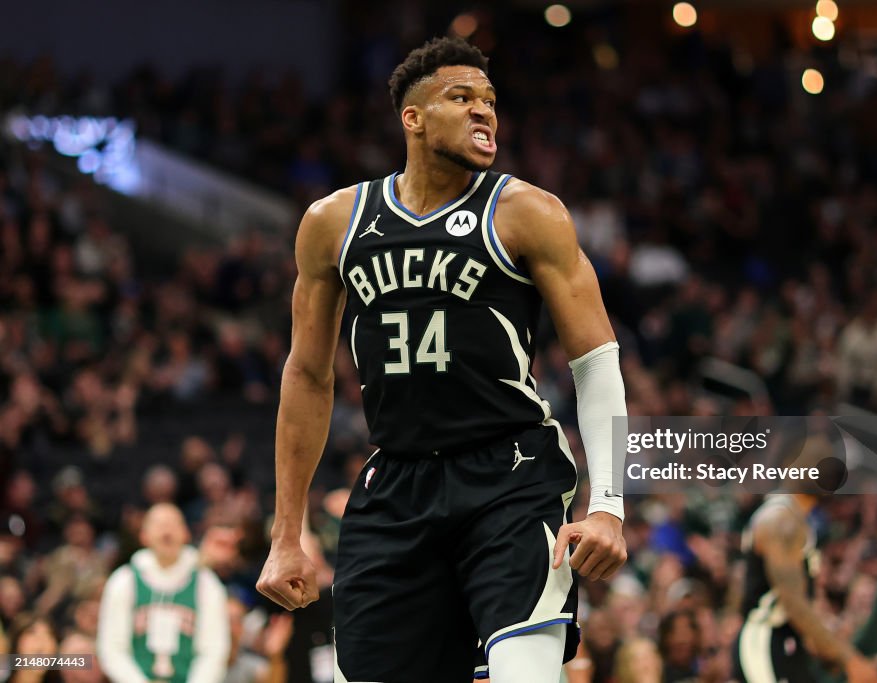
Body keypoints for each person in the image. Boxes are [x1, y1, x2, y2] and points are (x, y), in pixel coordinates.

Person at [256, 36, 628, 683]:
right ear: (414, 118)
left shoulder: (528, 212)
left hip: (510, 475)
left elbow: (596, 362)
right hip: (396, 484)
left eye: (490, 100)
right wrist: (287, 532)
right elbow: (307, 375)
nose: (484, 111)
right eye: (461, 98)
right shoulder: (333, 222)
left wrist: (610, 504)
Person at [734, 494, 877, 683]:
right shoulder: (779, 519)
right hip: (766, 639)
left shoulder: (801, 519)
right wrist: (849, 660)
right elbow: (794, 604)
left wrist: (829, 650)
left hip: (789, 642)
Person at [97, 503, 230, 683]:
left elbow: (214, 649)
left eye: (173, 524)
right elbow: (112, 648)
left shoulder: (206, 582)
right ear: (143, 536)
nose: (166, 530)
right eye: (159, 524)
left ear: (186, 533)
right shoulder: (123, 580)